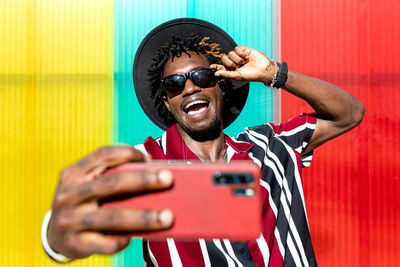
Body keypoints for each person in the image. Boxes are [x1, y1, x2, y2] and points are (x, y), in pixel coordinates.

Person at [41, 18, 364, 266]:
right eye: (174, 84)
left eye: (202, 76)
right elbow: (71, 225)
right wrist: (58, 238)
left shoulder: (270, 145)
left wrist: (272, 73)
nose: (190, 88)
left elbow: (347, 114)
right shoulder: (144, 163)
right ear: (167, 102)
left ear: (219, 86)